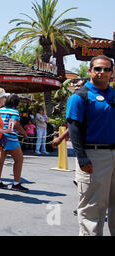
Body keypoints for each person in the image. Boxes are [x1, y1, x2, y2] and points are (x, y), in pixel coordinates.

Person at [66, 55, 115, 236]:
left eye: (106, 69)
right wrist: (82, 157)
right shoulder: (80, 97)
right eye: (98, 69)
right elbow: (74, 129)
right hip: (94, 157)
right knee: (92, 210)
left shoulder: (113, 95)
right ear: (90, 71)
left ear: (112, 72)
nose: (102, 73)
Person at [0, 94, 29, 192]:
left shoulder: (0, 110)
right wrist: (24, 133)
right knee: (19, 159)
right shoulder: (14, 111)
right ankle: (16, 183)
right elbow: (16, 124)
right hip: (10, 137)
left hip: (0, 136)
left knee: (0, 161)